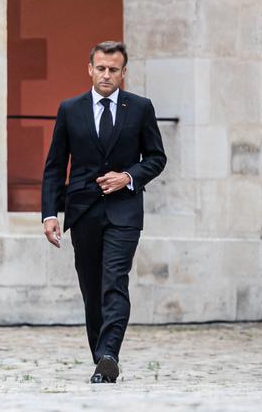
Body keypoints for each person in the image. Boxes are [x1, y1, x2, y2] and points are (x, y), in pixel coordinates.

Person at [41, 41, 167, 383]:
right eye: (101, 68)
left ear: (123, 72)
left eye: (114, 69)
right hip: (82, 211)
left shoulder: (140, 108)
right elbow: (55, 166)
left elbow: (157, 158)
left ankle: (110, 353)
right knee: (92, 290)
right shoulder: (70, 109)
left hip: (124, 212)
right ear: (90, 69)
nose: (107, 75)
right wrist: (49, 213)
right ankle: (103, 358)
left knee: (115, 282)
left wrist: (128, 176)